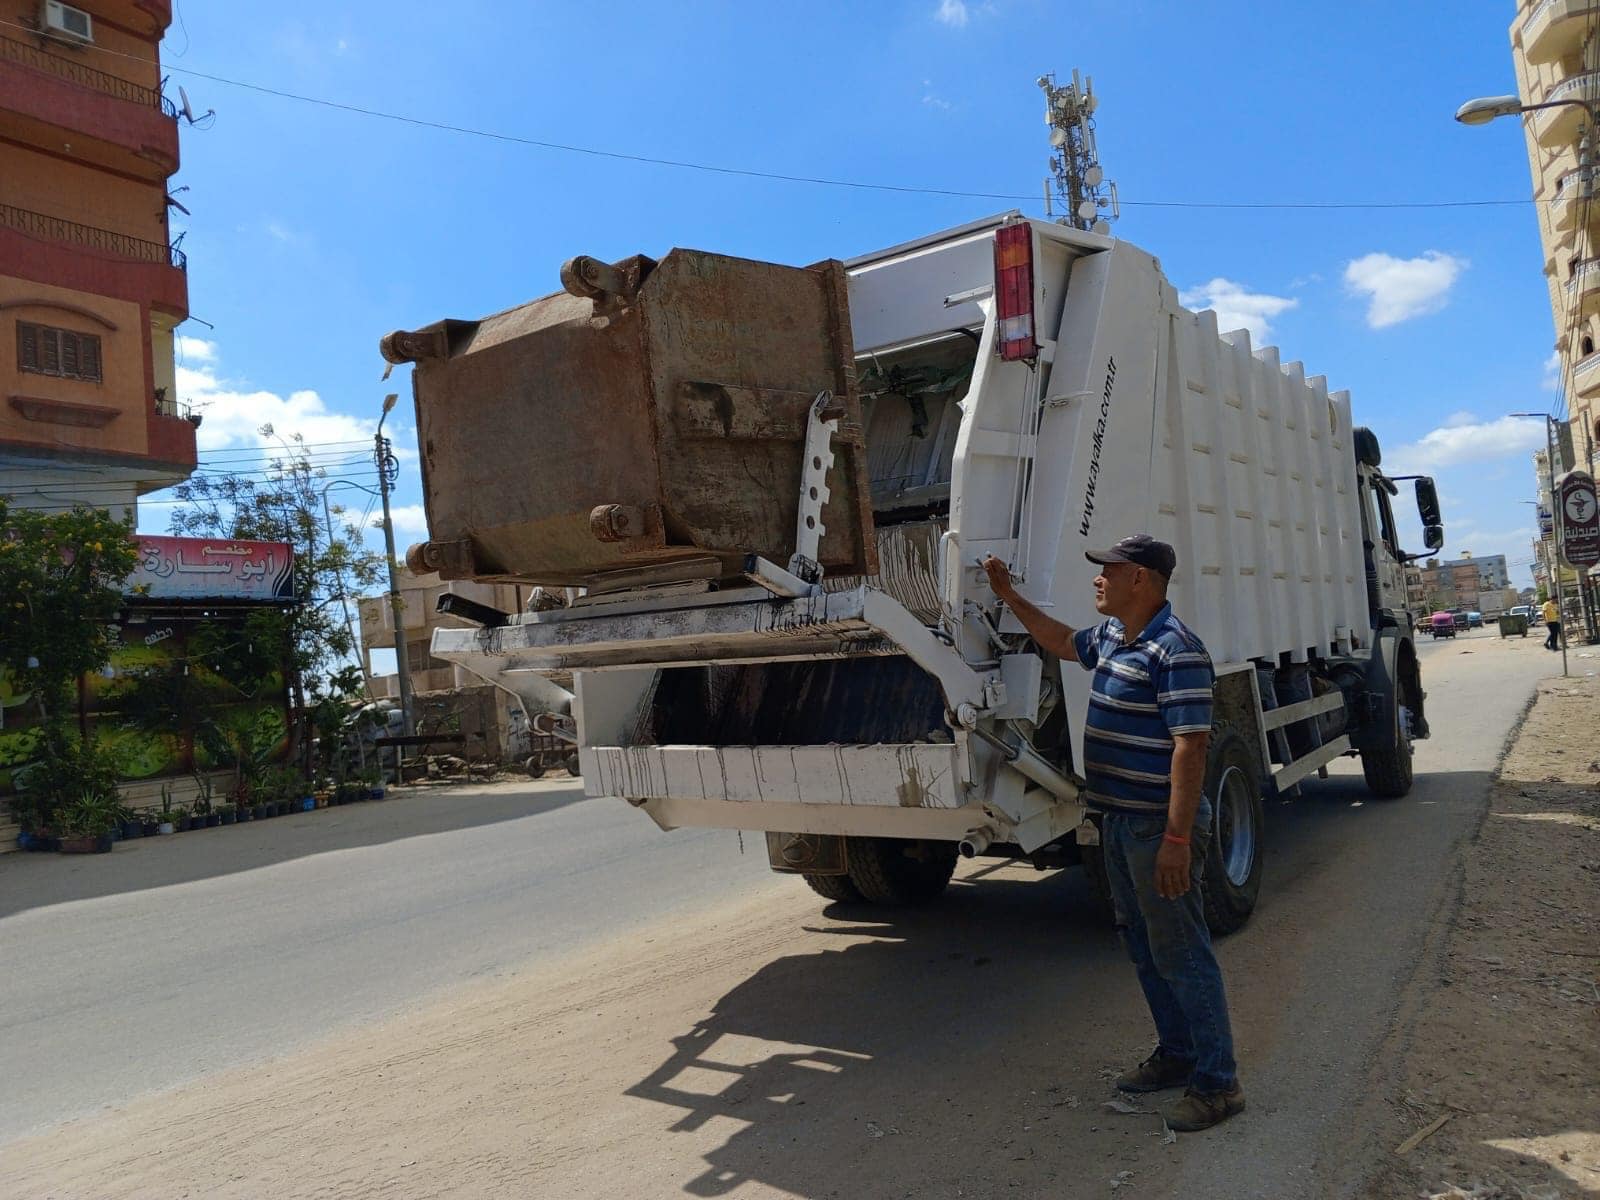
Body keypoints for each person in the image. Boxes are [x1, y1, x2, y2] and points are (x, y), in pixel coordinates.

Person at [982, 534, 1243, 1132]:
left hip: (1157, 828)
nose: (1098, 579)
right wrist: (1006, 594)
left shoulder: (1176, 650)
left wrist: (1177, 841)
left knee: (1182, 951)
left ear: (1142, 581)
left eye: (1109, 570)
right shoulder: (1113, 638)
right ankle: (1177, 1055)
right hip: (1120, 823)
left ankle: (1219, 1084)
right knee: (1146, 948)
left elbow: (1191, 749)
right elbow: (1057, 640)